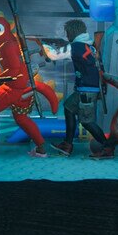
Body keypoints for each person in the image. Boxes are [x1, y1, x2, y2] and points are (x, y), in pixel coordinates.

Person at [0, 13, 57, 159]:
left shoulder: (7, 47)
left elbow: (14, 70)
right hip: (23, 87)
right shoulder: (9, 44)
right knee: (21, 118)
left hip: (12, 88)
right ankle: (41, 149)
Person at [38, 19, 100, 156]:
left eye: (67, 33)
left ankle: (107, 147)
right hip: (87, 88)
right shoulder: (89, 45)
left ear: (72, 32)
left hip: (86, 90)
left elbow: (53, 55)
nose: (67, 36)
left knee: (87, 122)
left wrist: (43, 44)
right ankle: (67, 145)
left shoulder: (76, 46)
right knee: (68, 107)